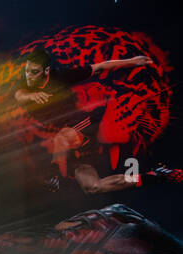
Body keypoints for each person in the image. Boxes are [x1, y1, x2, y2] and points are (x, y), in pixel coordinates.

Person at [14, 48, 179, 193]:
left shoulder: (61, 77)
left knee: (62, 137)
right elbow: (19, 95)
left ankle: (54, 170)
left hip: (84, 125)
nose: (29, 75)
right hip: (74, 146)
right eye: (27, 71)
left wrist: (131, 61)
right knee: (93, 187)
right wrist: (31, 95)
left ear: (46, 71)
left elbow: (100, 67)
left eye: (34, 72)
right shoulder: (27, 83)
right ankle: (155, 176)